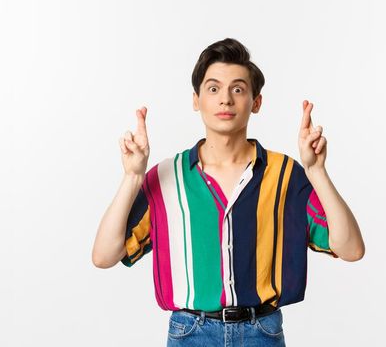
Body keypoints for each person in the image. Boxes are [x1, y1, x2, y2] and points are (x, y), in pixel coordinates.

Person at [92, 38, 364, 346]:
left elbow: (351, 249)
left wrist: (316, 171)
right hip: (190, 334)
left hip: (262, 332)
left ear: (256, 102)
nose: (225, 100)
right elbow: (104, 256)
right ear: (196, 99)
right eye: (213, 88)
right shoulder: (168, 177)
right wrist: (132, 177)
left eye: (238, 89)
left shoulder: (286, 175)